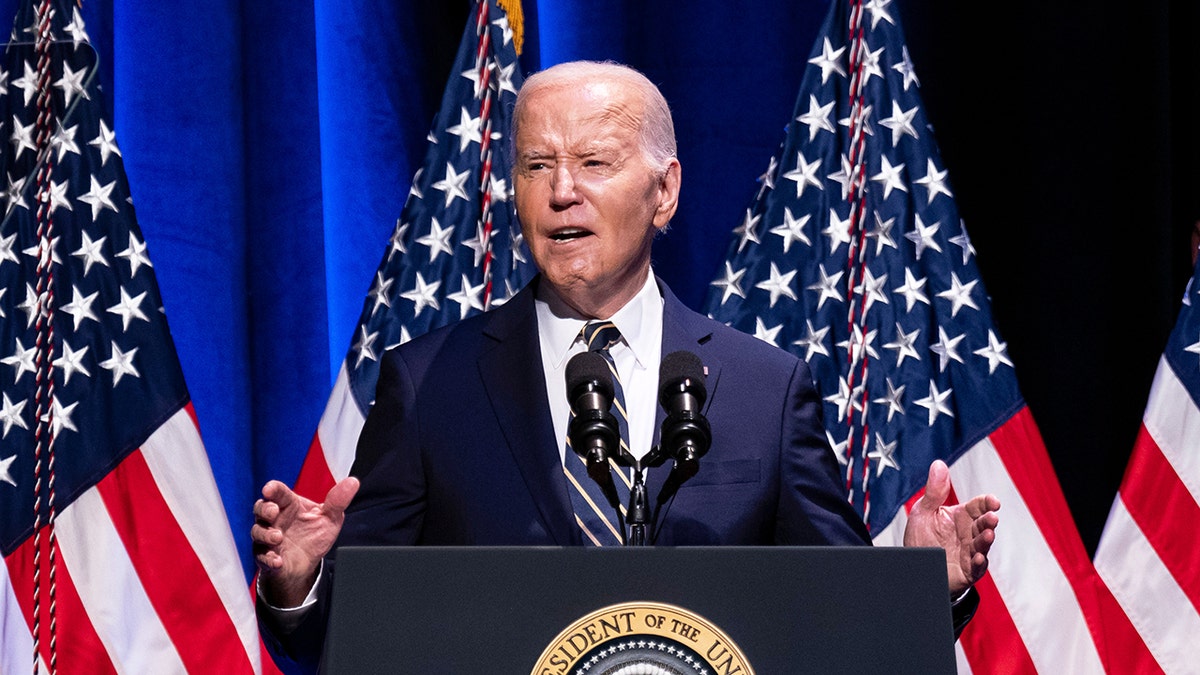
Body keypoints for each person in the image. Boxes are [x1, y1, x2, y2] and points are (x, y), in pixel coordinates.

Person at [252, 60, 1001, 672]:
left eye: (594, 162)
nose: (562, 191)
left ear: (664, 191)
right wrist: (301, 584)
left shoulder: (764, 390)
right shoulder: (429, 384)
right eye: (536, 165)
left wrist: (923, 586)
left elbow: (840, 617)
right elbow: (351, 636)